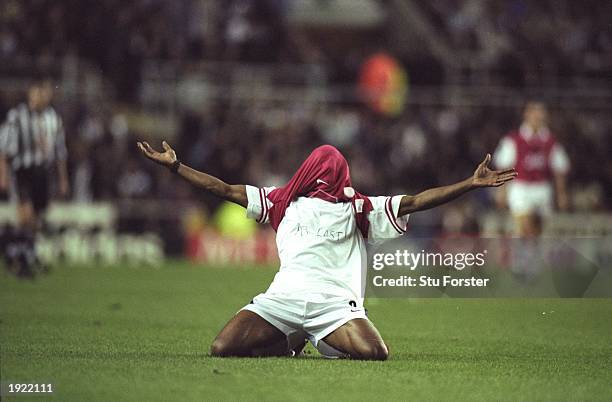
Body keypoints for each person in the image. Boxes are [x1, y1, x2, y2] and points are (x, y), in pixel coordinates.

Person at [137, 140, 516, 360]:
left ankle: (308, 336)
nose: (330, 175)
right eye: (326, 169)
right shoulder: (282, 202)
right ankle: (291, 339)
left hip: (334, 305)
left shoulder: (357, 208)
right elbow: (223, 189)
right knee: (222, 348)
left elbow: (415, 201)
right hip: (282, 299)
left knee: (376, 353)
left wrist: (469, 183)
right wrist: (177, 167)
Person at [0, 77, 69, 276]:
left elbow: (60, 152)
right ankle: (21, 256)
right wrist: (3, 176)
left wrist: (63, 179)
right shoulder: (16, 116)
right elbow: (4, 150)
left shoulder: (53, 118)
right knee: (26, 215)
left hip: (43, 173)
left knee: (36, 218)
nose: (43, 97)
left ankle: (22, 255)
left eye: (46, 93)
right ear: (31, 94)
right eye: (39, 92)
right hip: (23, 171)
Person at [493, 101, 570, 237]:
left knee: (539, 230)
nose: (537, 117)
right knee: (524, 225)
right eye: (534, 113)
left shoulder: (550, 141)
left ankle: (534, 255)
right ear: (526, 115)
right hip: (521, 187)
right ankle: (521, 255)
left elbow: (559, 168)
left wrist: (561, 193)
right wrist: (501, 191)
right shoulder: (513, 139)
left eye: (540, 113)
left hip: (542, 188)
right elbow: (503, 165)